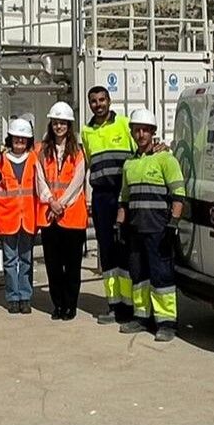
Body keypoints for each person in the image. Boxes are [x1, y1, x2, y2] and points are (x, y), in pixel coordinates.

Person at [116, 108, 185, 342]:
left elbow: (179, 195)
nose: (141, 134)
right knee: (139, 275)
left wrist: (172, 225)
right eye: (137, 130)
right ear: (133, 132)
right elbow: (124, 199)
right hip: (135, 230)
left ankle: (167, 323)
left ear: (153, 132)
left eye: (145, 130)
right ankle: (142, 317)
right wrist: (120, 225)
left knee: (162, 276)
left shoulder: (166, 159)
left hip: (159, 230)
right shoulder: (129, 164)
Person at [83, 86, 136, 324]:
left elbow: (141, 153)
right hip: (101, 197)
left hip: (123, 196)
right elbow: (83, 165)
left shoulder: (124, 124)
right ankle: (114, 304)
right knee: (107, 252)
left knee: (126, 249)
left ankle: (130, 305)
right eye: (93, 101)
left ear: (109, 100)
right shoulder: (86, 131)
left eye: (102, 100)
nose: (98, 105)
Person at [36, 102, 88, 321]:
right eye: (56, 122)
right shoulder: (40, 150)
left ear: (69, 125)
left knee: (72, 266)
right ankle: (57, 305)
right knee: (53, 265)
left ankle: (70, 305)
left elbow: (78, 181)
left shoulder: (78, 151)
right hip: (50, 217)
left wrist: (61, 203)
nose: (59, 126)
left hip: (72, 214)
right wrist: (50, 200)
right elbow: (39, 179)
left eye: (62, 123)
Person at [0, 118, 39, 314]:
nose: (19, 141)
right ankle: (13, 297)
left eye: (23, 138)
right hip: (7, 217)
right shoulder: (0, 161)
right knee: (10, 260)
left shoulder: (35, 159)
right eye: (16, 138)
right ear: (10, 139)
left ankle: (25, 297)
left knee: (26, 259)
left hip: (28, 217)